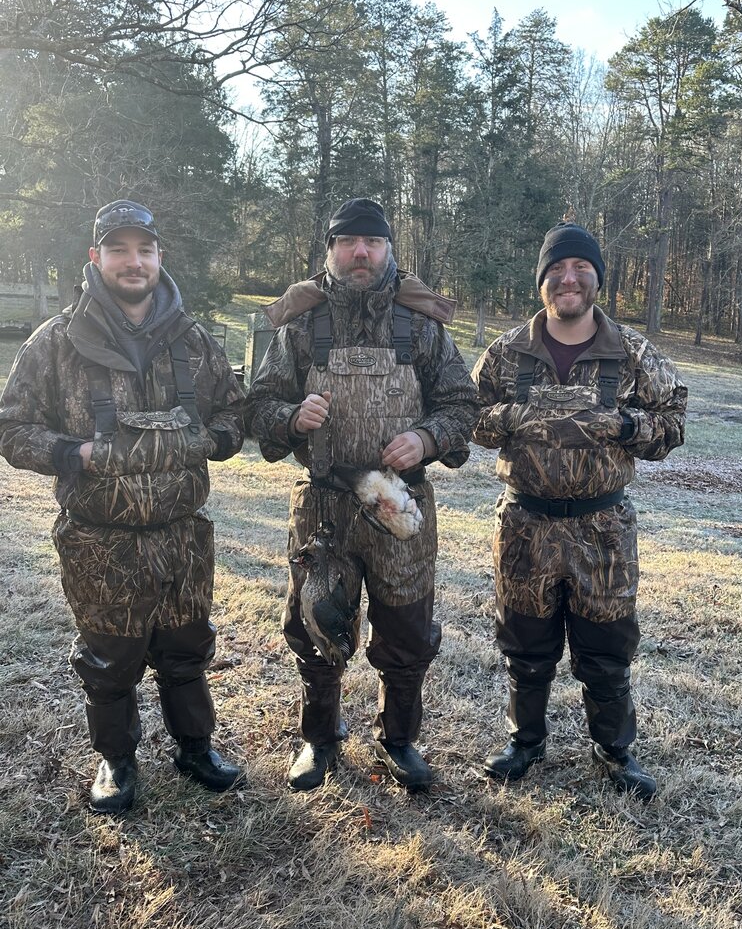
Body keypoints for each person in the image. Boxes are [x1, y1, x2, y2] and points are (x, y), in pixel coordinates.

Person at [0, 200, 245, 814]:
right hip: (98, 538)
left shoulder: (194, 340)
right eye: (118, 250)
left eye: (144, 250)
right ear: (96, 257)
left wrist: (211, 440)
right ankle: (115, 759)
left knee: (187, 649)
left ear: (159, 256)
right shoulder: (55, 342)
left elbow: (235, 413)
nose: (133, 262)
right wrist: (72, 452)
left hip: (183, 536)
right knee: (109, 659)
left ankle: (196, 748)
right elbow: (11, 428)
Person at [245, 197, 479, 791]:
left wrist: (426, 438)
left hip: (400, 507)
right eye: (348, 242)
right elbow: (258, 406)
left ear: (388, 250)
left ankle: (398, 740)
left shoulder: (420, 326)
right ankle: (319, 738)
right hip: (323, 506)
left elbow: (462, 405)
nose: (360, 253)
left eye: (372, 242)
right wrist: (291, 417)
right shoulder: (302, 325)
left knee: (407, 631)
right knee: (315, 627)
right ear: (330, 250)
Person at [472, 220, 687, 801]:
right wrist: (513, 419)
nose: (569, 279)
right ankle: (525, 742)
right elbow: (468, 415)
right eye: (557, 269)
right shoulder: (507, 352)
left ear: (597, 279)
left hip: (603, 529)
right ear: (541, 281)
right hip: (525, 525)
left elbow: (673, 422)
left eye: (581, 269)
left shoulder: (631, 352)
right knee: (525, 644)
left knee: (606, 649)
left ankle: (614, 751)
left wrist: (624, 425)